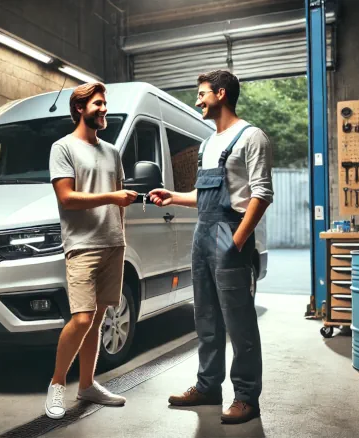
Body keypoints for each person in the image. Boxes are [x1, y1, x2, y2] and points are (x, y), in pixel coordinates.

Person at [148, 70, 273, 424]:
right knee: (205, 317)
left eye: (202, 94)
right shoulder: (207, 143)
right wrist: (173, 196)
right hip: (202, 234)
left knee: (239, 321)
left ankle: (247, 396)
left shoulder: (252, 137)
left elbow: (261, 195)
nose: (198, 100)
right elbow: (203, 196)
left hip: (229, 233)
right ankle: (208, 386)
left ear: (221, 94)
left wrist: (237, 242)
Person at [44, 82, 138, 420]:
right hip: (82, 247)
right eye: (98, 104)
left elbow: (121, 199)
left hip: (113, 244)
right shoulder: (63, 148)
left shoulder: (112, 152)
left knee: (97, 320)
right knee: (81, 318)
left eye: (105, 103)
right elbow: (67, 198)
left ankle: (87, 385)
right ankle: (57, 385)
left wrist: (120, 233)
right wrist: (112, 198)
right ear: (80, 108)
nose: (103, 109)